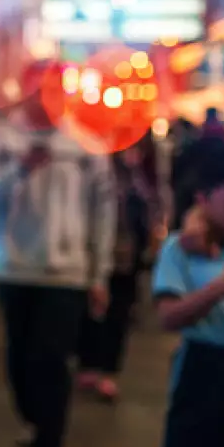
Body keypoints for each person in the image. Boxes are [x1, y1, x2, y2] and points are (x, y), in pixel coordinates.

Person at [0, 60, 117, 447]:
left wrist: (99, 274)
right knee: (19, 358)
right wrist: (20, 169)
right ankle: (36, 422)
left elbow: (103, 212)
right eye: (40, 90)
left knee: (52, 358)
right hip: (14, 267)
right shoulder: (2, 139)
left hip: (66, 273)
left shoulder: (86, 145)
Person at [152, 142, 224, 447]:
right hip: (205, 375)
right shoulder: (179, 249)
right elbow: (168, 317)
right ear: (203, 199)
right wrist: (220, 288)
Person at [77, 136, 159, 401]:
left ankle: (106, 369)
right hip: (93, 252)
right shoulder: (94, 166)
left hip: (124, 255)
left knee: (117, 312)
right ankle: (90, 364)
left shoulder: (137, 175)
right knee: (92, 310)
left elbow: (149, 209)